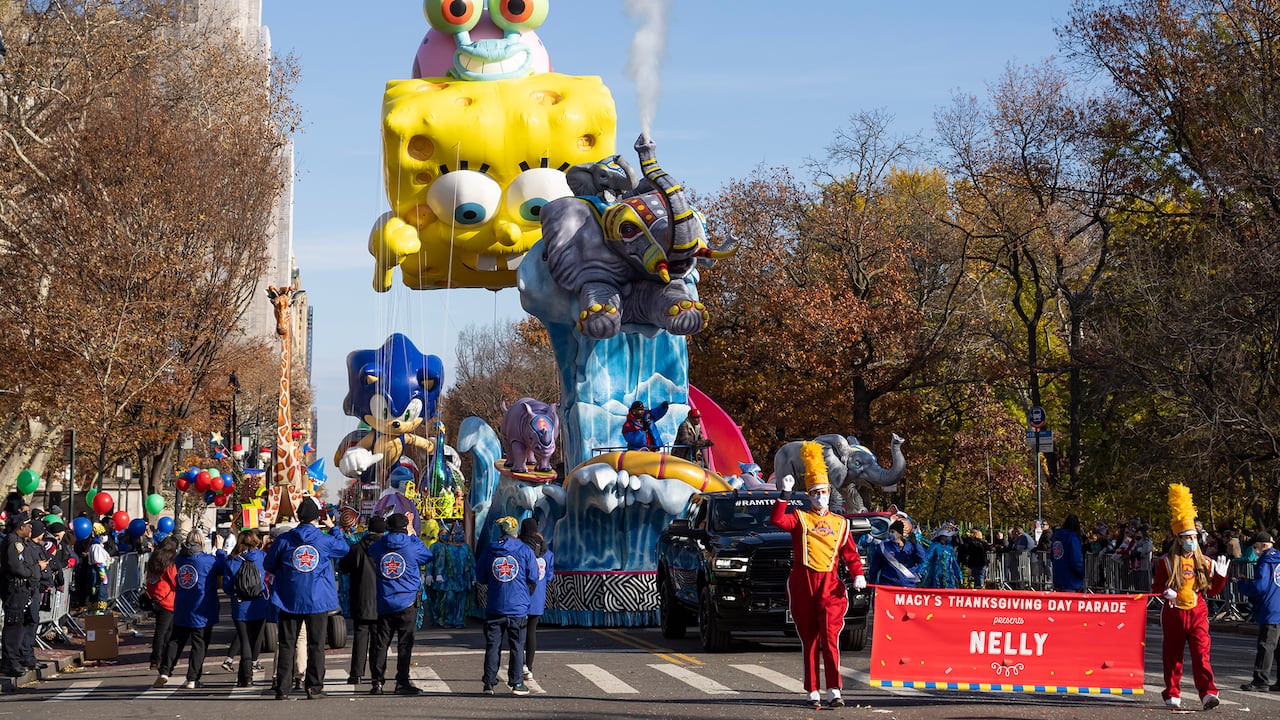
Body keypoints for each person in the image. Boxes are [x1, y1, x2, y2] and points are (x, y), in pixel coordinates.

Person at [772, 443, 867, 709]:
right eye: (815, 493)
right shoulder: (800, 518)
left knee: (830, 637)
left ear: (829, 493)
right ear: (809, 495)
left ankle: (834, 689)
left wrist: (857, 574)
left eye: (823, 492)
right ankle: (812, 689)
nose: (820, 497)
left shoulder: (841, 523)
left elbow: (851, 554)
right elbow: (777, 520)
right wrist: (784, 494)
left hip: (830, 585)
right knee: (810, 639)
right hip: (803, 584)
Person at [263, 497, 349, 700]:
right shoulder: (324, 540)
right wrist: (333, 528)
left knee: (287, 644)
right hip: (317, 599)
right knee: (316, 645)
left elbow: (268, 564)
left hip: (289, 598)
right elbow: (344, 549)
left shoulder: (284, 540)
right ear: (317, 518)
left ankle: (282, 688)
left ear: (298, 516)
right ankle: (314, 687)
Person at [1153, 483, 1229, 710]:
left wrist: (1220, 577)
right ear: (1179, 539)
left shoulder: (1205, 562)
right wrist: (1165, 592)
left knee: (1201, 654)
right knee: (1172, 656)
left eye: (1194, 537)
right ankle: (1172, 693)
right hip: (1174, 613)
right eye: (1187, 537)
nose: (1192, 541)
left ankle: (1208, 693)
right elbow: (1157, 586)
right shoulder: (1167, 562)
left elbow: (1212, 591)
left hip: (1197, 613)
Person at [368, 512, 431, 696]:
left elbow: (372, 551)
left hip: (385, 600)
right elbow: (428, 556)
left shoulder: (379, 546)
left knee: (381, 643)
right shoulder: (412, 546)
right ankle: (401, 682)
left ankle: (377, 682)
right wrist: (413, 535)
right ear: (405, 527)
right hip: (407, 601)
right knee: (405, 644)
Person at [155, 529, 226, 689]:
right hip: (202, 607)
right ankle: (193, 678)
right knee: (199, 644)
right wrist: (220, 549)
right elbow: (223, 567)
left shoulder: (179, 559)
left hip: (182, 606)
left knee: (175, 640)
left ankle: (165, 671)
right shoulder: (208, 560)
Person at [476, 515, 537, 696]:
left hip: (495, 605)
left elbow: (481, 576)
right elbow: (533, 576)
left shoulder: (490, 549)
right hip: (517, 606)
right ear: (515, 531)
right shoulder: (525, 550)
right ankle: (517, 683)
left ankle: (489, 683)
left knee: (492, 645)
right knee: (517, 646)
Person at [337, 514, 384, 686]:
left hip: (361, 597)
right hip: (382, 599)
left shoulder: (357, 548)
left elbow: (343, 567)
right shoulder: (386, 548)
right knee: (379, 641)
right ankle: (376, 678)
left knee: (360, 637)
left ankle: (356, 674)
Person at [1, 512, 48, 677]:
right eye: (28, 526)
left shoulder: (20, 542)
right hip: (14, 589)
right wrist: (34, 570)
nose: (30, 529)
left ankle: (17, 659)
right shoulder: (13, 542)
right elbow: (17, 567)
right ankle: (10, 662)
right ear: (21, 527)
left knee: (20, 625)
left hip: (22, 589)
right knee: (13, 625)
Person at [222, 529, 268, 687]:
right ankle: (248, 672)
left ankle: (246, 677)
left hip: (240, 605)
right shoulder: (262, 557)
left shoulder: (231, 560)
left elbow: (227, 587)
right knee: (256, 638)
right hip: (259, 603)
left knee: (244, 640)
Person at [1239, 531, 1280, 692]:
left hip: (1270, 609)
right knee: (1278, 647)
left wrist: (1242, 585)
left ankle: (1260, 680)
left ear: (1263, 546)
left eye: (1256, 547)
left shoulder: (1266, 561)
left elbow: (1259, 587)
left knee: (1266, 645)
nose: (1255, 551)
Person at [518, 517, 553, 682]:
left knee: (518, 632)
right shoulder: (547, 553)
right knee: (532, 631)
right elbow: (550, 576)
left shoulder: (520, 549)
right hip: (538, 596)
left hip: (520, 594)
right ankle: (529, 667)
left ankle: (519, 665)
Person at [144, 535, 179, 672]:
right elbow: (175, 581)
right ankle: (158, 658)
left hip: (155, 597)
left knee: (162, 630)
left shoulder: (154, 558)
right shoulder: (169, 563)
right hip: (167, 599)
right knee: (164, 631)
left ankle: (159, 657)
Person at [432, 521, 475, 628]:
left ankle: (459, 621)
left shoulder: (466, 548)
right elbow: (441, 562)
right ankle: (448, 620)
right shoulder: (446, 548)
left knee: (462, 601)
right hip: (449, 580)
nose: (458, 536)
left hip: (463, 580)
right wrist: (439, 574)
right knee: (449, 600)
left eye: (460, 534)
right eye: (456, 534)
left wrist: (474, 577)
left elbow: (472, 563)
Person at [867, 518, 924, 588]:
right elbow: (874, 568)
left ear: (900, 534)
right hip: (888, 586)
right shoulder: (883, 546)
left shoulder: (912, 547)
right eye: (889, 531)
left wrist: (916, 544)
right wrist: (871, 584)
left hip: (908, 586)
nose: (890, 533)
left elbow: (922, 559)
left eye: (893, 531)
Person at [920, 525, 963, 589]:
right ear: (942, 537)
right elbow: (927, 559)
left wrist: (959, 576)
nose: (950, 538)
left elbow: (954, 563)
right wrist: (921, 571)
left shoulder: (950, 548)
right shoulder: (935, 546)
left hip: (948, 577)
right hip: (936, 576)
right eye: (948, 536)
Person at [1051, 514, 1085, 592]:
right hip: (1071, 580)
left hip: (1058, 577)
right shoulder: (1072, 537)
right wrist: (1081, 574)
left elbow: (1053, 556)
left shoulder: (1056, 537)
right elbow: (1076, 559)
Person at [88, 522, 113, 614]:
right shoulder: (96, 547)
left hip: (99, 573)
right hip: (99, 574)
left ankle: (96, 612)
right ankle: (99, 613)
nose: (105, 536)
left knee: (98, 593)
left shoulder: (98, 546)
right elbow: (99, 563)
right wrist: (103, 576)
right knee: (100, 593)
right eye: (103, 534)